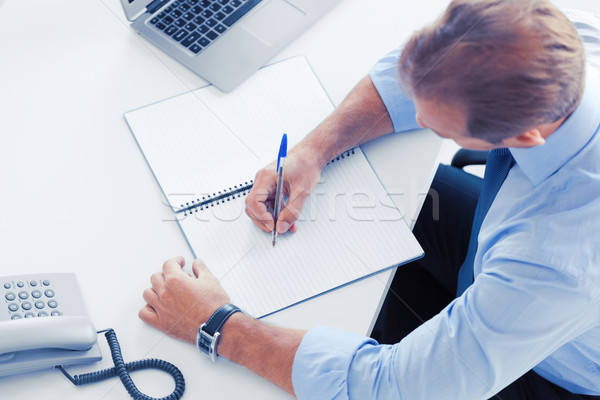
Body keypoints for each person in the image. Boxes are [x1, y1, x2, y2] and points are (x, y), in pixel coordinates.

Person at [139, 1, 600, 398]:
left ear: (522, 136)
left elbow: (397, 388)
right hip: (509, 241)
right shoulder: (555, 40)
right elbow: (413, 74)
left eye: (438, 125)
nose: (416, 115)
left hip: (548, 371)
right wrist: (314, 151)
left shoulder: (556, 261)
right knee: (377, 194)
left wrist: (218, 324)